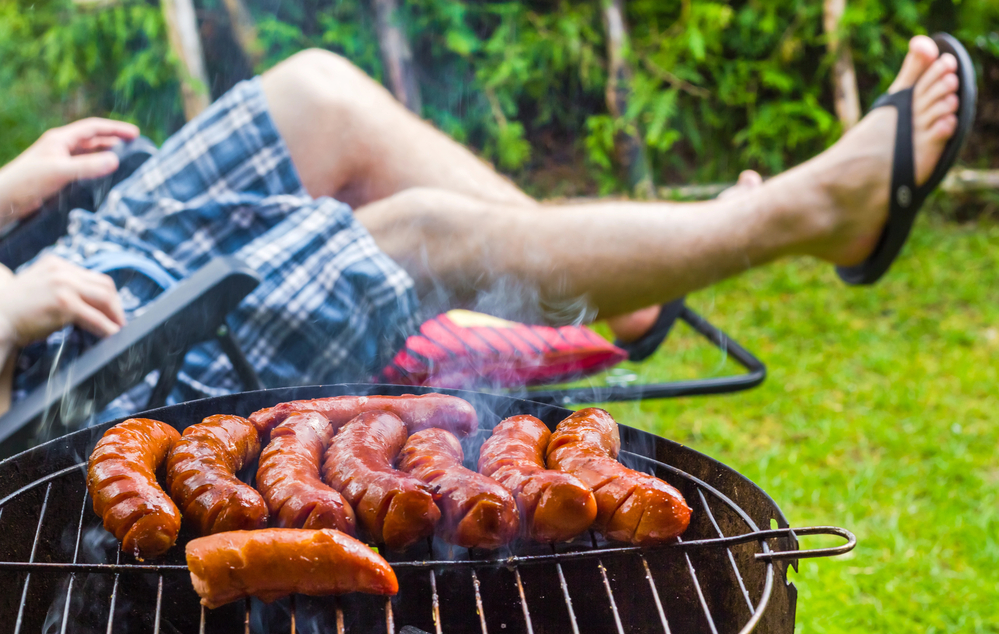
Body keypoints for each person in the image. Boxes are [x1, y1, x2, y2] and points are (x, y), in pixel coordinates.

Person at [0, 35, 963, 419]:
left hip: (74, 257)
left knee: (320, 94)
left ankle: (617, 294)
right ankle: (799, 215)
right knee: (412, 236)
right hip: (64, 375)